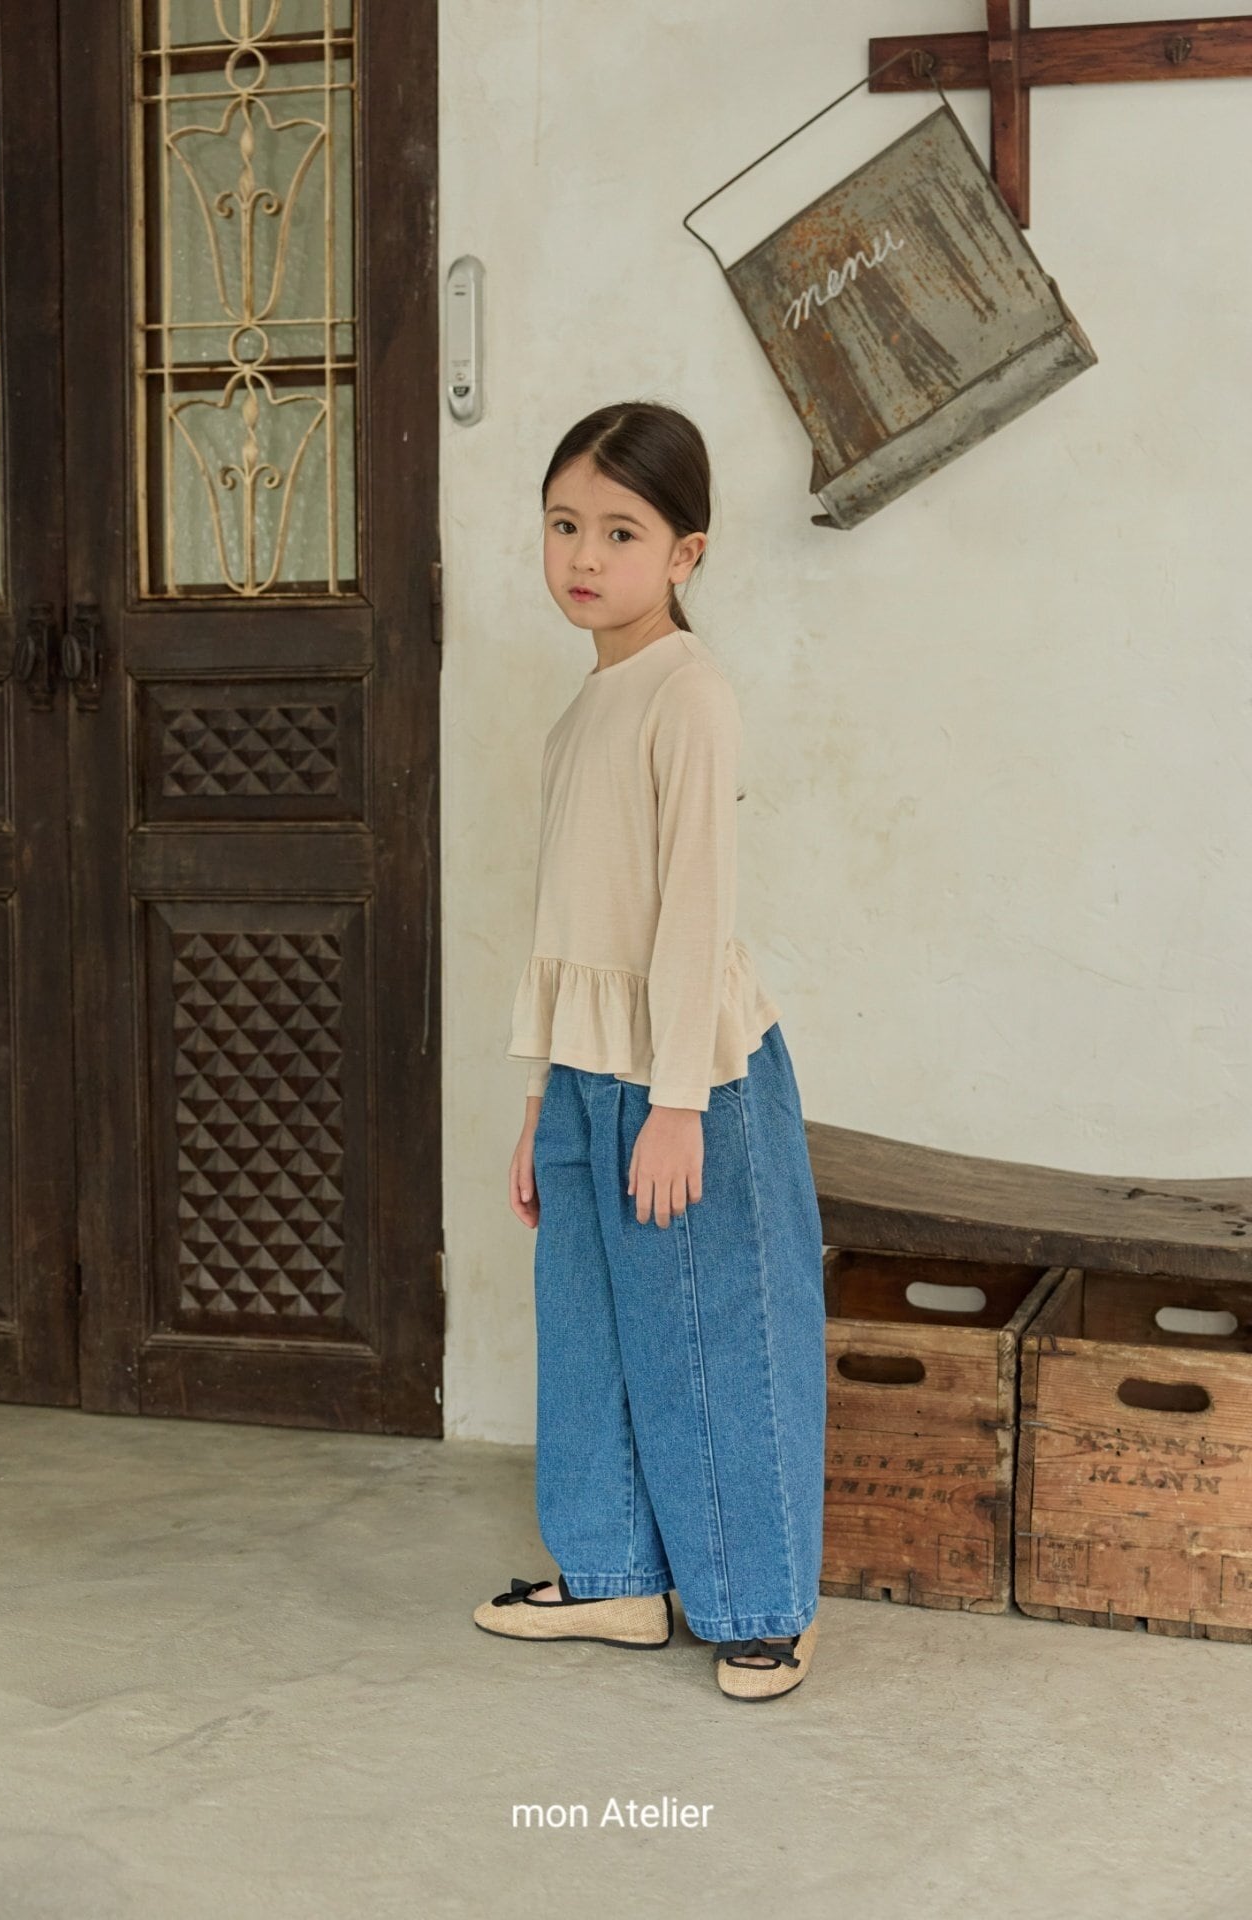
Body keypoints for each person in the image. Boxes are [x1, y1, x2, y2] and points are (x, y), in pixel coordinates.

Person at [475, 400, 826, 1702]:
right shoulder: (585, 711)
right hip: (586, 1073)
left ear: (686, 553)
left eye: (620, 532)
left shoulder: (689, 692)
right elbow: (567, 923)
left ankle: (762, 1606)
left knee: (717, 1336)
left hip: (691, 1076)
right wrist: (540, 1099)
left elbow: (694, 911)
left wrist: (678, 1104)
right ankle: (614, 1574)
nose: (584, 555)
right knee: (589, 1334)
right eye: (564, 524)